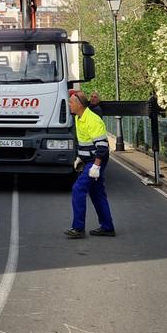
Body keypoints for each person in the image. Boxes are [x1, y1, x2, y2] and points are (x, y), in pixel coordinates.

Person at [65, 90, 116, 239]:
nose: (69, 104)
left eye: (71, 102)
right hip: (89, 160)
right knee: (97, 193)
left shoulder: (92, 120)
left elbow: (102, 147)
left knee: (78, 189)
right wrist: (80, 158)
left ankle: (78, 228)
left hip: (96, 160)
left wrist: (96, 166)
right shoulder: (79, 117)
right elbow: (84, 141)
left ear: (79, 104)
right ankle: (107, 227)